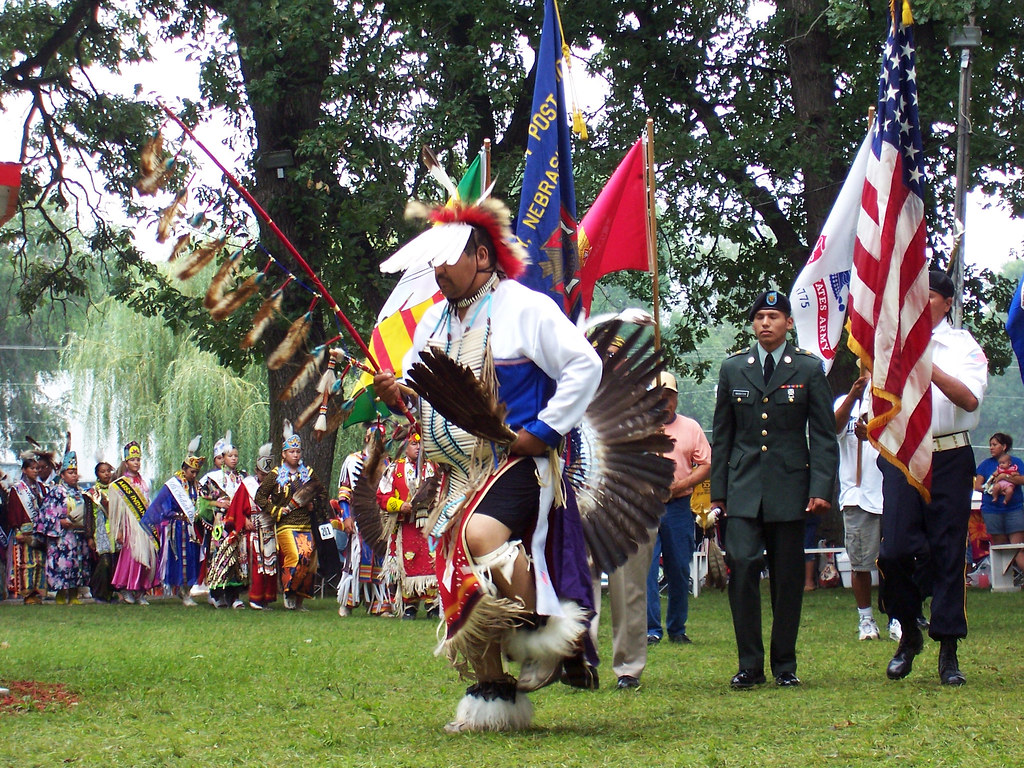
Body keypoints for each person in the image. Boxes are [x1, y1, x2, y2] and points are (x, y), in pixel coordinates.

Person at [373, 197, 601, 732]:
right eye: (434, 261)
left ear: (481, 256)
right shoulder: (432, 320)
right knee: (453, 566)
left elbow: (583, 366)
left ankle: (540, 633)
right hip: (458, 469)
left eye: (447, 259)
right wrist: (396, 396)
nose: (439, 270)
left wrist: (542, 430)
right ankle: (492, 689)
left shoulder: (523, 306)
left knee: (481, 535)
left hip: (517, 460)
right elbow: (422, 399)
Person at [710, 289, 838, 689]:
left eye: (773, 316)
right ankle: (750, 663)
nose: (765, 323)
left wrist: (820, 486)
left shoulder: (807, 369)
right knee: (743, 565)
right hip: (744, 488)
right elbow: (724, 435)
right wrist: (718, 493)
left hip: (789, 487)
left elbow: (822, 433)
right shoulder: (733, 369)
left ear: (788, 323)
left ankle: (785, 664)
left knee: (787, 577)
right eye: (760, 317)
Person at [880, 270, 987, 686]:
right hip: (904, 454)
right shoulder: (889, 344)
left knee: (946, 551)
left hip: (949, 455)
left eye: (927, 297)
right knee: (894, 551)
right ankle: (908, 630)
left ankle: (948, 648)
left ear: (945, 302)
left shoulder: (962, 346)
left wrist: (928, 366)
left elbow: (969, 398)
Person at [646, 372, 711, 648]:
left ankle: (677, 627)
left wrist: (681, 484)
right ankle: (651, 629)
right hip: (645, 507)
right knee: (646, 570)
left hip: (679, 506)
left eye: (669, 397)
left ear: (676, 398)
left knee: (679, 567)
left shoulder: (691, 428)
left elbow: (706, 464)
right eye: (658, 398)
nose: (664, 403)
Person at [834, 375, 891, 641]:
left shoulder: (893, 402)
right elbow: (832, 427)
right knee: (860, 564)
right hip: (858, 495)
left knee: (895, 561)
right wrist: (852, 397)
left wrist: (874, 432)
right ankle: (866, 619)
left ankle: (897, 616)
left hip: (891, 492)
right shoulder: (847, 404)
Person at [254, 426, 320, 611]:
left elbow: (319, 492)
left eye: (298, 451)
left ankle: (299, 599)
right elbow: (259, 496)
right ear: (284, 454)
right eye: (292, 451)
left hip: (305, 524)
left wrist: (312, 503)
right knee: (295, 555)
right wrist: (275, 509)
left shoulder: (308, 473)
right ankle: (288, 591)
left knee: (307, 557)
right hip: (285, 524)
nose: (296, 455)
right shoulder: (275, 475)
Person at [377, 433, 438, 620]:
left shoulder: (433, 467)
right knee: (407, 561)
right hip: (405, 525)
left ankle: (432, 604)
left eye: (421, 444)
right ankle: (409, 604)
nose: (418, 447)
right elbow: (382, 496)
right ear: (406, 446)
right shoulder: (395, 469)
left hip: (429, 524)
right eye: (413, 444)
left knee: (431, 560)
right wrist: (399, 505)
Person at [336, 426, 392, 617]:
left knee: (381, 558)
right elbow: (344, 492)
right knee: (356, 558)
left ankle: (379, 604)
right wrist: (346, 517)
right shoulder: (353, 461)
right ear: (367, 438)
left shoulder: (387, 463)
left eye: (382, 438)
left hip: (380, 520)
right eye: (375, 438)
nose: (378, 442)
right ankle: (348, 602)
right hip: (358, 518)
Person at [142, 450, 206, 606]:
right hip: (177, 529)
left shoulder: (197, 486)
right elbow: (161, 505)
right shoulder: (174, 485)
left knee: (193, 558)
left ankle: (187, 590)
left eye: (196, 472)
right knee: (181, 559)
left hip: (193, 529)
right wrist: (171, 515)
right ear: (184, 469)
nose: (194, 475)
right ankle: (182, 592)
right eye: (192, 472)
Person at [35, 450, 92, 605]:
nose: (74, 475)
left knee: (77, 564)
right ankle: (61, 594)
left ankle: (74, 594)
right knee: (62, 564)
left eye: (75, 472)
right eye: (70, 472)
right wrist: (59, 522)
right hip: (62, 536)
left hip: (78, 535)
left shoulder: (81, 493)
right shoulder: (56, 492)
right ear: (62, 475)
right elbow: (46, 513)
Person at [109, 441, 157, 605]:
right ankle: (128, 589)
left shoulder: (145, 482)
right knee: (132, 557)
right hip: (130, 525)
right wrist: (120, 531)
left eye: (138, 459)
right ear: (126, 463)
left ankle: (141, 592)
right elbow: (118, 511)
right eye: (132, 460)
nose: (136, 463)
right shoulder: (121, 484)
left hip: (144, 525)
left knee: (146, 558)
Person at [974, 433, 1024, 583]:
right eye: (990, 445)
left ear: (1004, 447)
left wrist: (1005, 478)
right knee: (1001, 547)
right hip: (992, 510)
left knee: (1018, 547)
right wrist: (992, 489)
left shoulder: (1016, 462)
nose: (991, 448)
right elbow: (978, 486)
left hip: (1014, 509)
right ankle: (1006, 580)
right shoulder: (985, 465)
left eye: (995, 445)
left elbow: (1022, 479)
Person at [240, 446, 277, 610]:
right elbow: (235, 509)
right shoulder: (247, 485)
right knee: (258, 563)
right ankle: (255, 598)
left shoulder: (276, 487)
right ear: (257, 471)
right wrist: (244, 520)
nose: (264, 478)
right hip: (254, 530)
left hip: (269, 528)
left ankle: (266, 598)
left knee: (270, 564)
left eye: (267, 476)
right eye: (262, 475)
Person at [6, 455, 46, 604]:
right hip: (24, 531)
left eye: (37, 468)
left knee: (40, 563)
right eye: (32, 468)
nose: (35, 471)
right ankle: (27, 593)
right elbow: (13, 510)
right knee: (26, 563)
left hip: (39, 531)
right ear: (24, 470)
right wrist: (17, 530)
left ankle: (38, 591)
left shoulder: (42, 488)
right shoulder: (17, 490)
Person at [84, 461, 118, 603]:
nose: (106, 474)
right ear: (97, 474)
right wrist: (89, 536)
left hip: (115, 530)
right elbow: (88, 515)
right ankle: (99, 592)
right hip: (101, 530)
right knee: (104, 562)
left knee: (113, 562)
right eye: (102, 471)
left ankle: (110, 593)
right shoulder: (92, 493)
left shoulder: (115, 490)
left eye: (108, 471)